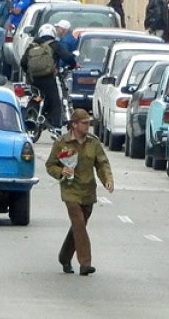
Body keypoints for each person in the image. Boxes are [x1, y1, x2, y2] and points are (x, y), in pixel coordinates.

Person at [45, 109, 114, 276]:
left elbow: (102, 163)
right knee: (78, 223)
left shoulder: (93, 142)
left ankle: (64, 257)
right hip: (70, 190)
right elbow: (50, 165)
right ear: (74, 124)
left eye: (89, 123)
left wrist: (107, 179)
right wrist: (61, 171)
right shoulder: (62, 142)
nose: (87, 126)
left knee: (79, 227)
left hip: (88, 190)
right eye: (84, 123)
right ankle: (85, 263)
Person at [21, 24, 73, 130]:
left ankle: (30, 116)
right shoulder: (55, 45)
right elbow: (67, 57)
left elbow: (23, 62)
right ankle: (56, 127)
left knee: (34, 96)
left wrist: (29, 73)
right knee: (55, 102)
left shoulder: (32, 45)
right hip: (48, 79)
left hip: (33, 80)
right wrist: (74, 64)